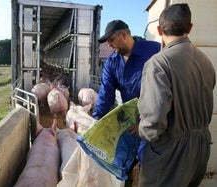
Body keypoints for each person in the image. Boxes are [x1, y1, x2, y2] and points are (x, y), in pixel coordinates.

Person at [135, 3, 216, 186]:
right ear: (190, 28)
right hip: (200, 148)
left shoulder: (159, 63)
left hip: (170, 152)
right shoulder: (206, 62)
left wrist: (142, 131)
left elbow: (154, 119)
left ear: (158, 29)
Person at [92, 20, 161, 185]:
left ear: (123, 34)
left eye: (111, 40)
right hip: (130, 117)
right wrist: (96, 119)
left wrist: (146, 124)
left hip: (154, 116)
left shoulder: (154, 50)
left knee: (148, 160)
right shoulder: (112, 62)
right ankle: (127, 180)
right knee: (123, 158)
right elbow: (106, 93)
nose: (109, 45)